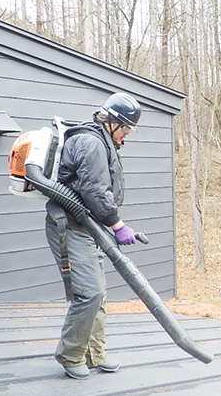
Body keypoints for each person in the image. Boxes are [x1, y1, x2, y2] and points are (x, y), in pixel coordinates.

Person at [44, 92, 141, 380]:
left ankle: (94, 354)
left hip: (88, 228)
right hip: (70, 226)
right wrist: (117, 224)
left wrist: (110, 225)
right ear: (112, 122)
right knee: (89, 293)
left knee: (100, 295)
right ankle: (71, 354)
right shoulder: (90, 142)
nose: (127, 135)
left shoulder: (102, 142)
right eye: (126, 128)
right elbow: (95, 191)